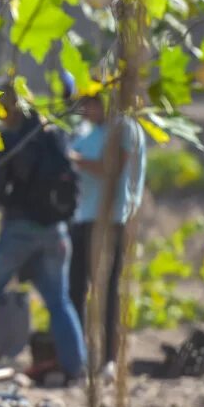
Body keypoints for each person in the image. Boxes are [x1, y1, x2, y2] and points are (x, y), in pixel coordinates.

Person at [0, 88, 86, 384]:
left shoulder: (11, 138)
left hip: (21, 229)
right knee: (59, 301)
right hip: (56, 230)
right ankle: (76, 370)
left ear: (6, 107)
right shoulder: (53, 131)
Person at [68, 92, 147, 379]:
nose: (86, 109)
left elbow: (110, 168)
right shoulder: (91, 132)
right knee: (76, 289)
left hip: (110, 219)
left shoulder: (123, 128)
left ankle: (109, 359)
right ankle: (79, 356)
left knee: (107, 291)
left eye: (91, 104)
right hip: (83, 218)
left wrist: (73, 159)